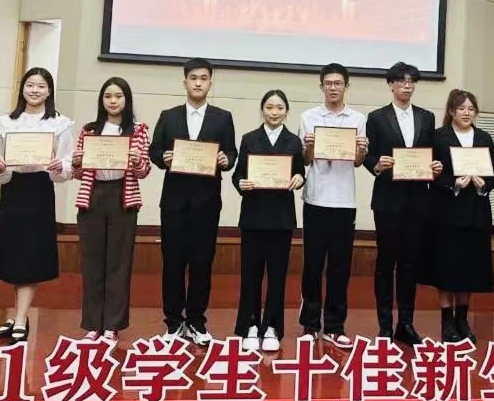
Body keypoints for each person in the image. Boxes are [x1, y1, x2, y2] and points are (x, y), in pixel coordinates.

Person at [150, 58, 238, 345]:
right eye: (193, 78)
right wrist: (163, 157)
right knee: (172, 263)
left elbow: (232, 153)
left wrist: (226, 160)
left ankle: (197, 321)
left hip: (207, 203)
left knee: (202, 263)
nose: (198, 83)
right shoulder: (169, 115)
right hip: (174, 203)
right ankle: (174, 322)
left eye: (203, 78)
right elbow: (154, 150)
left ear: (210, 82)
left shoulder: (223, 117)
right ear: (185, 81)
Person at [0, 67, 74, 343]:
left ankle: (21, 318)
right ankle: (16, 315)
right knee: (13, 254)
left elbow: (67, 167)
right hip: (13, 190)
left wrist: (58, 167)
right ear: (22, 88)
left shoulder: (59, 124)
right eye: (30, 85)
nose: (35, 90)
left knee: (30, 254)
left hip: (39, 190)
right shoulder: (5, 122)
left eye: (41, 86)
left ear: (49, 91)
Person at [363, 62, 441, 345]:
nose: (407, 86)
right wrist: (377, 164)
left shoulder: (427, 117)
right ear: (391, 85)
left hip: (418, 198)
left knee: (410, 264)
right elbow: (368, 157)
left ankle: (405, 323)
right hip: (388, 200)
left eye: (411, 82)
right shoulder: (376, 117)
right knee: (386, 263)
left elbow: (431, 155)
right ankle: (384, 325)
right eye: (401, 81)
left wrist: (435, 167)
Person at [71, 77, 150, 344]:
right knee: (92, 263)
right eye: (108, 96)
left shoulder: (138, 130)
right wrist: (76, 163)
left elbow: (144, 171)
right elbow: (78, 173)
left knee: (119, 264)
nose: (113, 101)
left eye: (118, 96)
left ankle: (112, 326)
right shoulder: (89, 130)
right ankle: (92, 325)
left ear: (127, 100)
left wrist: (137, 162)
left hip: (123, 198)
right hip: (92, 197)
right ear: (101, 100)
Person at [298, 63, 368, 348]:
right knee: (312, 265)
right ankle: (310, 324)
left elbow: (358, 162)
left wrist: (361, 152)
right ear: (321, 87)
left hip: (344, 201)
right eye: (328, 83)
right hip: (316, 198)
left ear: (346, 87)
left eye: (338, 83)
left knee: (340, 266)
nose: (333, 88)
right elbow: (305, 159)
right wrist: (309, 146)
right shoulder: (308, 117)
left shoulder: (358, 119)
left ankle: (335, 326)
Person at [232, 90, 305, 352]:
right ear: (262, 110)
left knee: (277, 276)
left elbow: (300, 172)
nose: (274, 112)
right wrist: (241, 183)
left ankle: (272, 326)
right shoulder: (249, 139)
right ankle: (250, 325)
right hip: (253, 216)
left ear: (287, 111)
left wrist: (300, 179)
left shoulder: (294, 142)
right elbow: (238, 175)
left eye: (279, 108)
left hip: (281, 219)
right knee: (250, 275)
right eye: (269, 107)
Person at [424, 89, 494, 343]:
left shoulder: (483, 137)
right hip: (446, 211)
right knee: (447, 266)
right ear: (451, 111)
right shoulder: (439, 137)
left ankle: (462, 319)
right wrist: (452, 184)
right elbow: (430, 171)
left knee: (470, 267)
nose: (467, 113)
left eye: (471, 109)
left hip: (476, 211)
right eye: (461, 109)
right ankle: (447, 320)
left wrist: (483, 185)